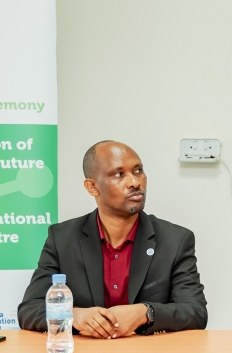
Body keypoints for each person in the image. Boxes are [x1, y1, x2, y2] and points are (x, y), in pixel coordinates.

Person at [18, 141, 208, 337]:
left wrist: (145, 312)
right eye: (119, 174)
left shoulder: (175, 240)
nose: (135, 182)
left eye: (138, 170)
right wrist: (74, 316)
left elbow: (195, 312)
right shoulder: (63, 238)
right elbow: (29, 310)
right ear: (92, 187)